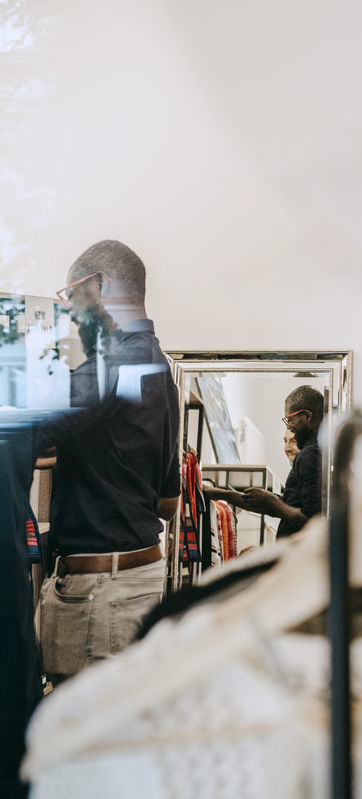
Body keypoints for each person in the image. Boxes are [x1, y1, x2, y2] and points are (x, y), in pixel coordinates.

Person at [34, 240, 181, 682]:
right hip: (131, 584)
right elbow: (167, 503)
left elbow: (32, 424)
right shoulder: (157, 368)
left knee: (83, 738)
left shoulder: (116, 360)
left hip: (102, 594)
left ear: (101, 285)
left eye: (71, 295)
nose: (73, 314)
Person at [205, 385, 325, 538]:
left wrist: (273, 502)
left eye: (290, 419)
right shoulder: (318, 453)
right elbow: (283, 508)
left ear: (307, 416)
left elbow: (311, 521)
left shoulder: (309, 455)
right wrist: (217, 493)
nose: (288, 426)